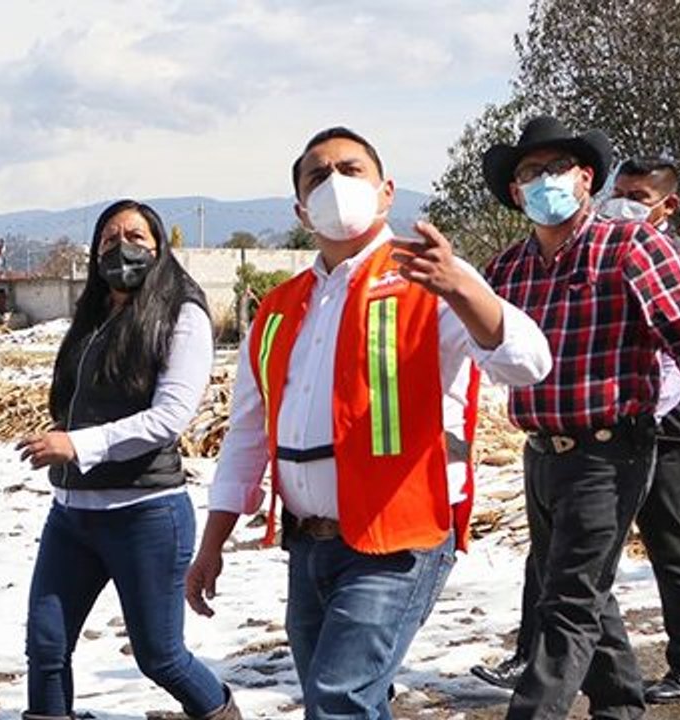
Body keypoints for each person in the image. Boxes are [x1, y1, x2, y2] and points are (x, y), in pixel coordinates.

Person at [184, 127, 551, 719]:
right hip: (309, 544)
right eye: (317, 176)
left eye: (351, 170)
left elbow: (529, 364)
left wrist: (463, 289)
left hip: (399, 536)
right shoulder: (277, 310)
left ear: (386, 193)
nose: (335, 184)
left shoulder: (429, 278)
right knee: (349, 697)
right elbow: (249, 436)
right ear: (301, 210)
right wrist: (213, 541)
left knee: (338, 701)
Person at [480, 116, 680, 719]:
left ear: (586, 179)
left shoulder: (632, 247)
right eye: (531, 172)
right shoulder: (507, 270)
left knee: (568, 605)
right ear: (515, 191)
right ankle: (620, 710)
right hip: (539, 454)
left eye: (558, 168)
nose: (545, 181)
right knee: (588, 595)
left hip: (612, 451)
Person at [16, 199, 239, 720]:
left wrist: (79, 444)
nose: (123, 248)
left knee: (160, 657)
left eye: (136, 237)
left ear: (159, 246)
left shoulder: (182, 313)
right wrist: (63, 434)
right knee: (46, 648)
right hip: (72, 515)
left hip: (145, 514)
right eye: (110, 239)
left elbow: (169, 417)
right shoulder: (94, 315)